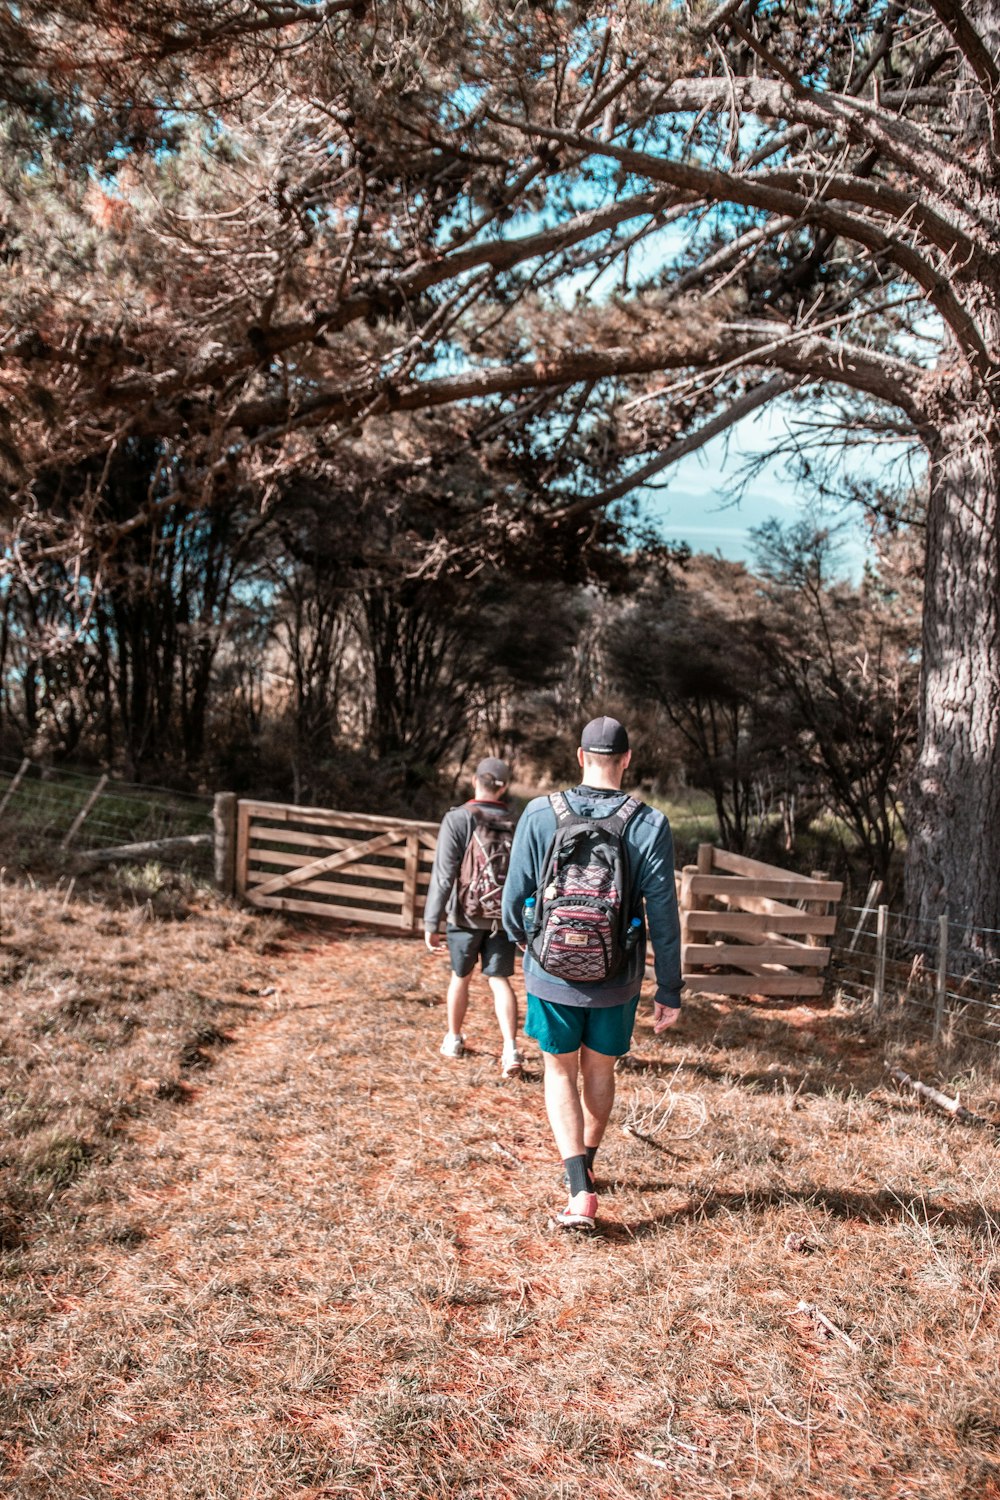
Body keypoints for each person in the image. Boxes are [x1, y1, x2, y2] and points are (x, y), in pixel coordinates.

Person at [502, 716, 681, 1230]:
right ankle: (587, 1169)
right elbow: (664, 916)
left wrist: (538, 951)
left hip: (550, 974)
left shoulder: (539, 813)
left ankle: (577, 1188)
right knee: (600, 1071)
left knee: (559, 1070)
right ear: (627, 760)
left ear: (580, 757)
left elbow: (513, 904)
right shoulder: (650, 824)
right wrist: (668, 986)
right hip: (617, 976)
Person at [424, 756, 523, 1078]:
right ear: (504, 786)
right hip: (501, 919)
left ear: (474, 780)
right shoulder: (517, 820)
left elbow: (443, 875)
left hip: (465, 917)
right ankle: (510, 1048)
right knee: (500, 981)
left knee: (460, 977)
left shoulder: (457, 819)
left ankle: (453, 1039)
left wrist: (431, 922)